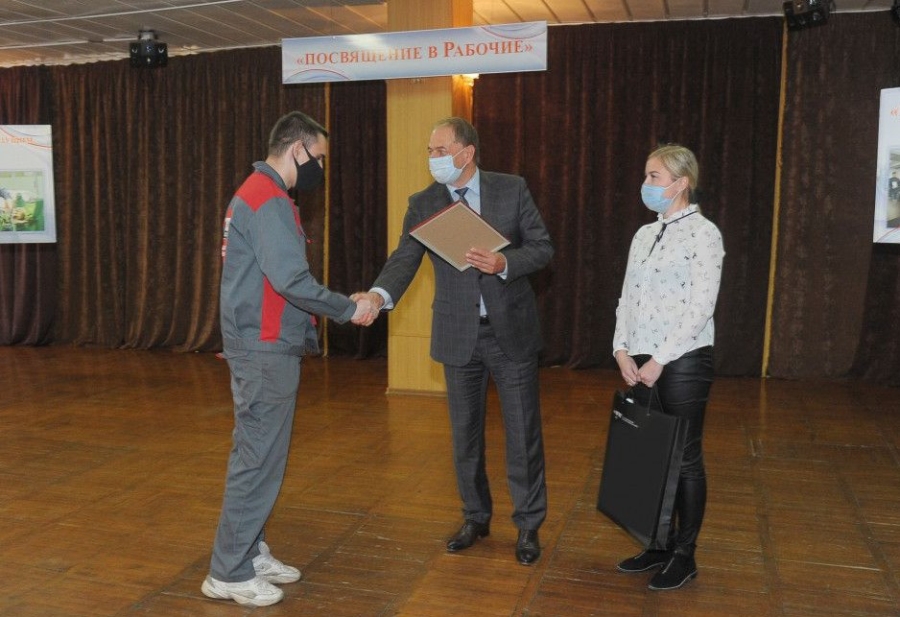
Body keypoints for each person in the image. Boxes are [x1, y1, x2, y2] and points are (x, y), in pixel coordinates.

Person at [354, 117, 553, 566]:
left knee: (523, 434)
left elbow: (542, 247)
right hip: (458, 334)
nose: (433, 158)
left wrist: (504, 262)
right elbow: (404, 259)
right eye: (429, 151)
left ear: (467, 153)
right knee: (465, 436)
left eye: (440, 150)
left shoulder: (511, 189)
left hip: (510, 333)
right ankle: (475, 517)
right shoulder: (424, 203)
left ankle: (528, 526)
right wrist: (378, 296)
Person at [202, 111, 377, 608]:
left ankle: (248, 550)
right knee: (258, 459)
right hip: (263, 348)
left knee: (260, 455)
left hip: (263, 344)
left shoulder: (263, 194)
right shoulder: (268, 199)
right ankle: (229, 572)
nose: (320, 167)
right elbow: (291, 281)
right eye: (318, 157)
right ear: (297, 149)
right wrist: (348, 308)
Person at [612, 144, 724, 591]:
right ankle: (657, 544)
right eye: (646, 175)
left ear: (682, 183)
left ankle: (684, 554)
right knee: (651, 453)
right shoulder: (644, 234)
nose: (646, 184)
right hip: (640, 358)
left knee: (685, 457)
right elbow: (627, 297)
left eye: (654, 176)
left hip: (684, 360)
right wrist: (621, 349)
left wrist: (661, 358)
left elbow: (701, 306)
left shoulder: (704, 234)